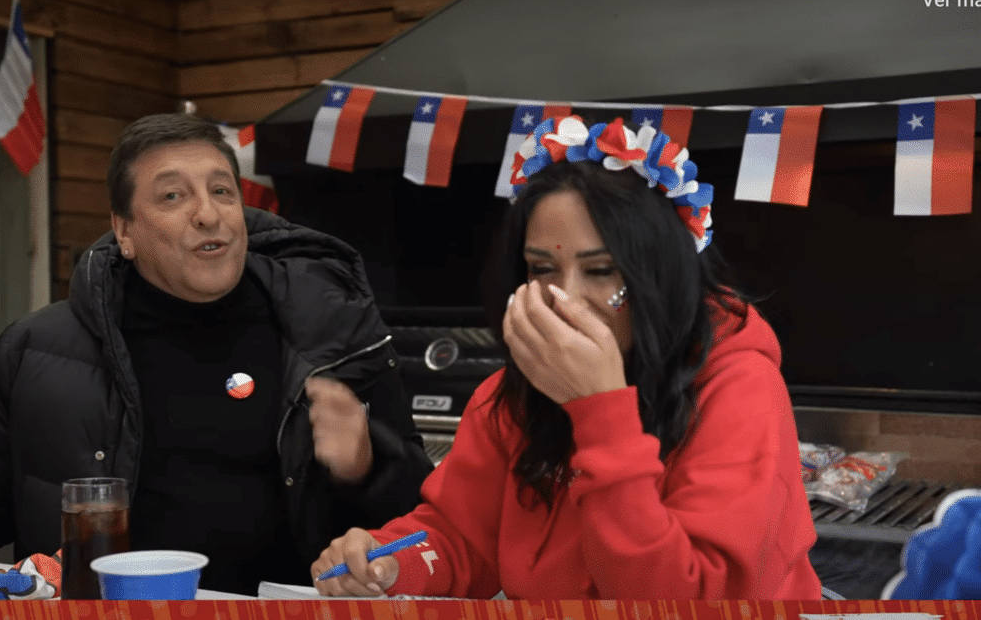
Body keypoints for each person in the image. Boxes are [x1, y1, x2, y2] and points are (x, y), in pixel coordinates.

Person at [0, 113, 434, 596]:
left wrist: (367, 465)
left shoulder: (332, 335)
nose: (209, 214)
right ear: (124, 230)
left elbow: (425, 521)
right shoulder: (35, 348)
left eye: (222, 191)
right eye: (173, 196)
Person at [311, 116, 823, 599]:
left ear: (662, 272)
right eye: (542, 269)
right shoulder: (512, 395)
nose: (565, 299)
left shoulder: (740, 386)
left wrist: (600, 410)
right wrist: (389, 561)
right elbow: (460, 537)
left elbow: (687, 600)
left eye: (600, 271)